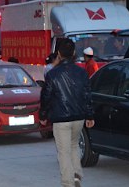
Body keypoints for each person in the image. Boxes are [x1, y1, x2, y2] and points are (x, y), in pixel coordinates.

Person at [39, 38, 95, 187]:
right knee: (74, 146)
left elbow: (46, 97)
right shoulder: (82, 72)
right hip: (78, 117)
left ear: (58, 53)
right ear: (74, 53)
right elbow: (87, 95)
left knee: (63, 151)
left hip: (60, 117)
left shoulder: (52, 74)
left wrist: (43, 116)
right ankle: (76, 175)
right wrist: (90, 115)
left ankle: (68, 183)